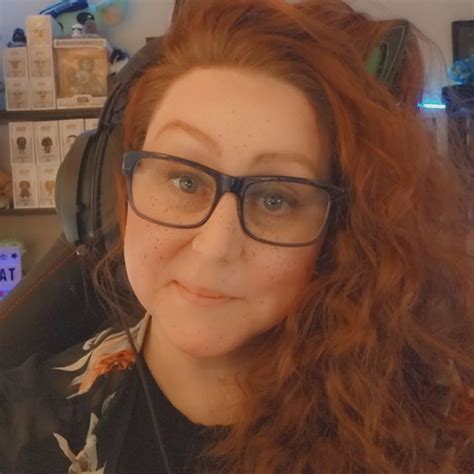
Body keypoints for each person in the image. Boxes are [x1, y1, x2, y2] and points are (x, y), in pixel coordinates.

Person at [1, 0, 474, 472]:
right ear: (117, 192)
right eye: (185, 181)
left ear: (338, 232)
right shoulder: (18, 433)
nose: (215, 247)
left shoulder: (430, 434)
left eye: (275, 199)